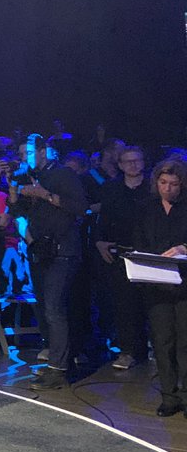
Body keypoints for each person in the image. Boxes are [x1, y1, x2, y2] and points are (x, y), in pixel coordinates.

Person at [15, 135, 89, 390]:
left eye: (30, 153)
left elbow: (80, 208)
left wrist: (44, 194)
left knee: (55, 308)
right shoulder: (29, 176)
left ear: (45, 152)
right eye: (22, 154)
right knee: (46, 307)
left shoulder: (63, 175)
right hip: (40, 250)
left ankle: (60, 369)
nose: (25, 158)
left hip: (63, 251)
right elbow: (16, 211)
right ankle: (56, 361)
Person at [132, 159, 187, 417]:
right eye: (163, 183)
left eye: (174, 184)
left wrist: (184, 249)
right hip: (156, 284)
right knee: (162, 341)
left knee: (185, 342)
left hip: (184, 284)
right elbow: (138, 243)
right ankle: (169, 396)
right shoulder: (146, 209)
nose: (168, 189)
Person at [95, 146, 153, 370]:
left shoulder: (152, 188)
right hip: (121, 252)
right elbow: (103, 218)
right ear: (120, 165)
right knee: (124, 305)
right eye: (128, 161)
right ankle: (128, 351)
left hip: (149, 253)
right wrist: (99, 242)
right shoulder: (111, 188)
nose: (133, 165)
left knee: (151, 304)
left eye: (136, 160)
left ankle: (154, 348)